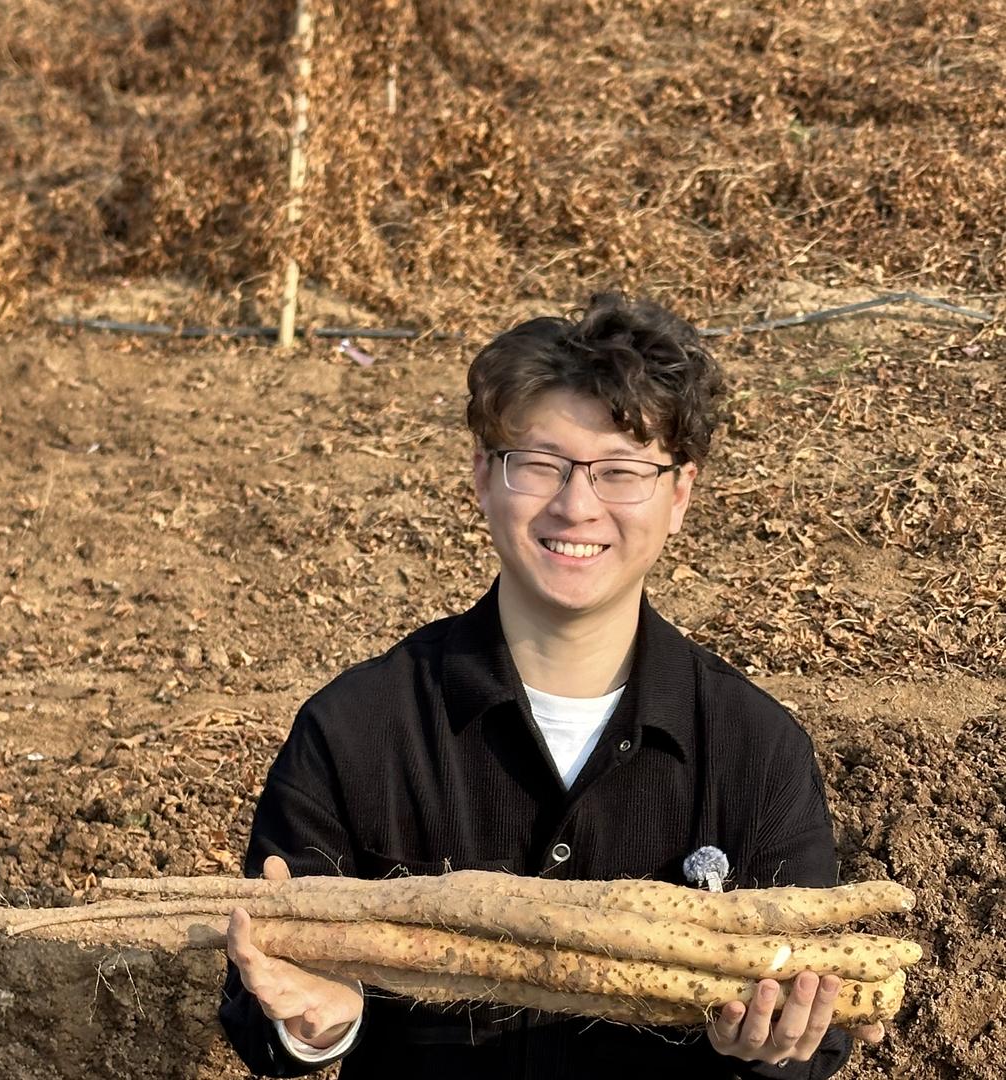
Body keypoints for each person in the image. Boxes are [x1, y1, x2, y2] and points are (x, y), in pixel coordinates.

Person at [219, 293, 884, 1078]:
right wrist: (314, 1020)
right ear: (483, 476)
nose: (576, 506)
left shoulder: (756, 752)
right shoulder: (356, 730)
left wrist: (777, 1048)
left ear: (679, 495)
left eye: (621, 472)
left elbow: (821, 1033)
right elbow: (254, 1015)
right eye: (540, 465)